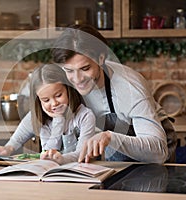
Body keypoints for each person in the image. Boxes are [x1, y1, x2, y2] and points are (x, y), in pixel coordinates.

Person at [51, 24, 177, 164]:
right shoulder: (64, 84)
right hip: (110, 146)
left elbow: (158, 153)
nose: (78, 79)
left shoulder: (129, 87)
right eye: (69, 70)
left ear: (101, 58)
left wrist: (109, 138)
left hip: (152, 145)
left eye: (85, 68)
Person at [0, 64, 96, 164]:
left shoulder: (85, 116)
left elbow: (81, 154)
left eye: (58, 95)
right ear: (39, 101)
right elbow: (15, 142)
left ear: (68, 89)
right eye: (46, 100)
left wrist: (61, 159)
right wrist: (6, 149)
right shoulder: (36, 116)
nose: (54, 103)